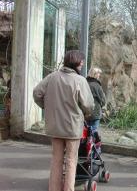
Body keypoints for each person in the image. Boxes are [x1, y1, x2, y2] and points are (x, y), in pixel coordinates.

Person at [33, 50, 94, 191]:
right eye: (82, 61)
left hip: (55, 127)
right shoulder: (80, 80)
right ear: (77, 62)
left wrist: (46, 106)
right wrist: (86, 114)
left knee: (56, 160)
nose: (83, 63)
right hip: (72, 127)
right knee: (71, 161)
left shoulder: (52, 77)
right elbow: (89, 105)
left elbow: (37, 93)